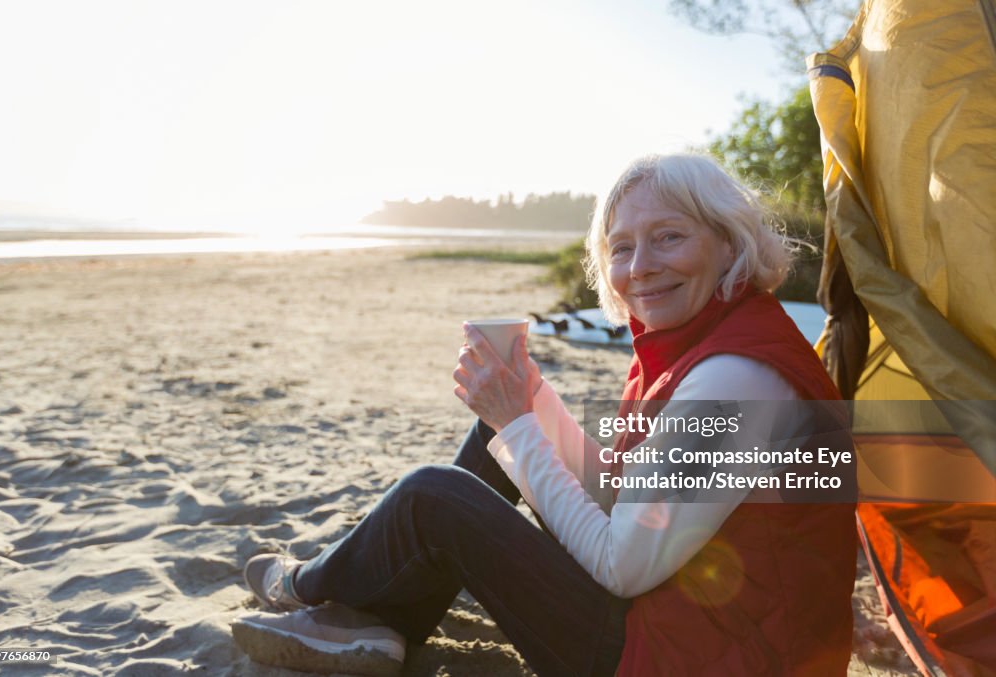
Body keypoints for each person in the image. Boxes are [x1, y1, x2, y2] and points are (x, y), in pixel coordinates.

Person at [231, 153, 858, 676]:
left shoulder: (736, 383)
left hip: (695, 659)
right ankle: (382, 624)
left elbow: (622, 565)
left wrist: (524, 427)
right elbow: (623, 501)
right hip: (700, 627)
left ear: (729, 243)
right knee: (493, 434)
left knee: (436, 495)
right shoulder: (699, 340)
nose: (639, 267)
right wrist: (530, 400)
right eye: (621, 247)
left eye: (670, 236)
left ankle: (309, 587)